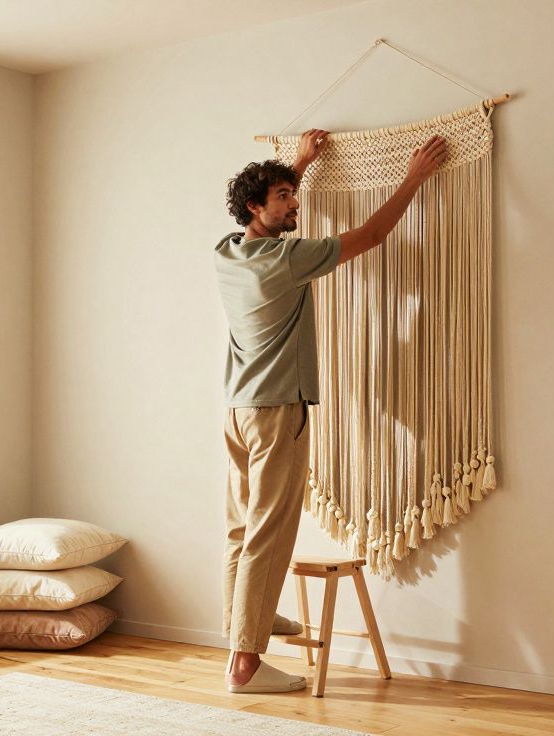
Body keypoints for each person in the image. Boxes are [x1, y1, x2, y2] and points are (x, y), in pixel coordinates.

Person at [214, 129, 448, 693]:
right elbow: (372, 233)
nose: (295, 204)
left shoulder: (228, 251)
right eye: (284, 198)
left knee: (242, 530)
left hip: (238, 410)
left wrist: (297, 166)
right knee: (269, 532)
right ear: (256, 206)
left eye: (293, 194)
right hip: (277, 411)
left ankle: (249, 623)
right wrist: (413, 177)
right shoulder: (287, 260)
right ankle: (244, 665)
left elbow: (271, 212)